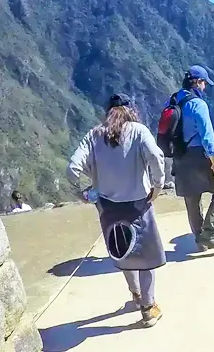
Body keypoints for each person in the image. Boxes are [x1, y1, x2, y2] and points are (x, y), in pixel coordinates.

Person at [67, 93, 167, 327]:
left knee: (123, 250)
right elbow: (155, 156)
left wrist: (82, 193)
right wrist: (158, 185)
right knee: (147, 255)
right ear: (130, 110)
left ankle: (136, 295)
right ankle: (148, 307)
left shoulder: (93, 135)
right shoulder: (139, 131)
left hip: (108, 208)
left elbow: (72, 169)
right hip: (138, 205)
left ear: (108, 112)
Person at [169, 65, 214, 252]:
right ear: (197, 82)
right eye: (204, 83)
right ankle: (210, 233)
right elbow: (207, 135)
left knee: (192, 198)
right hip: (198, 155)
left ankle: (199, 239)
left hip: (179, 156)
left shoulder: (173, 101)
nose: (204, 87)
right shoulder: (198, 104)